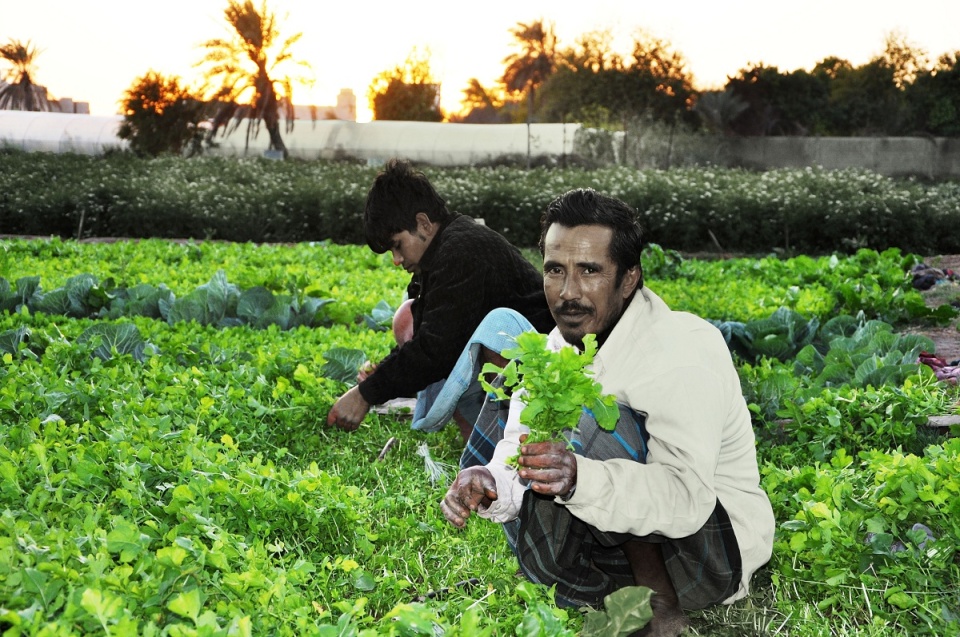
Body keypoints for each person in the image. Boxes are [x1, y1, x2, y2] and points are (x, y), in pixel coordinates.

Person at [440, 188, 775, 637]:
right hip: (608, 542)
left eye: (590, 271)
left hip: (704, 552)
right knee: (522, 376)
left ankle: (658, 603)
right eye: (555, 270)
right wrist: (491, 480)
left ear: (629, 278)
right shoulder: (559, 347)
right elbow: (522, 444)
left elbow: (687, 499)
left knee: (599, 416)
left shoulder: (681, 351)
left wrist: (578, 476)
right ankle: (604, 583)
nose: (568, 292)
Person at [326, 159, 555, 436]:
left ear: (423, 223)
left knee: (497, 331)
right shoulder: (442, 248)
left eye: (398, 246)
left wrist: (366, 393)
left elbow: (436, 350)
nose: (397, 260)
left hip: (547, 366)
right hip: (516, 364)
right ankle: (479, 438)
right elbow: (429, 336)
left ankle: (507, 443)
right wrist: (387, 374)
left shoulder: (461, 250)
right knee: (407, 317)